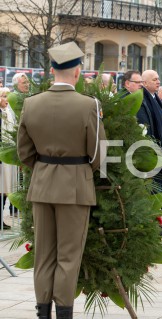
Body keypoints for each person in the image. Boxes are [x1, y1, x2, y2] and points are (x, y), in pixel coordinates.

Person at [17, 41, 106, 319]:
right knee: (69, 256)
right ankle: (64, 313)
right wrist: (77, 170)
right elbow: (97, 152)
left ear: (52, 70)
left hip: (42, 185)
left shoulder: (31, 104)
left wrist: (47, 168)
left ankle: (42, 312)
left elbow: (24, 152)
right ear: (77, 72)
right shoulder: (88, 105)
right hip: (75, 186)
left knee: (44, 255)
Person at [0, 88, 16, 230]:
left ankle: (1, 220)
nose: (6, 99)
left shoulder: (9, 113)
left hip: (7, 157)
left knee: (5, 188)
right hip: (1, 156)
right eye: (4, 96)